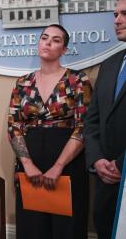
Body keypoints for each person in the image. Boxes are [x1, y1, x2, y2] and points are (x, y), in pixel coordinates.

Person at [8, 24, 92, 238]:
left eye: (55, 40)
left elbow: (84, 127)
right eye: (44, 37)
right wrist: (27, 165)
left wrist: (58, 167)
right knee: (32, 229)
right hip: (29, 165)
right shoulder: (23, 83)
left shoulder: (78, 80)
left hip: (68, 163)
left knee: (67, 230)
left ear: (63, 50)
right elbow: (14, 125)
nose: (47, 42)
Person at [84, 0, 126, 238]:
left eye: (124, 14)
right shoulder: (110, 64)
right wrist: (97, 159)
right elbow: (93, 120)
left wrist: (122, 164)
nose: (117, 20)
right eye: (115, 14)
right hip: (105, 181)